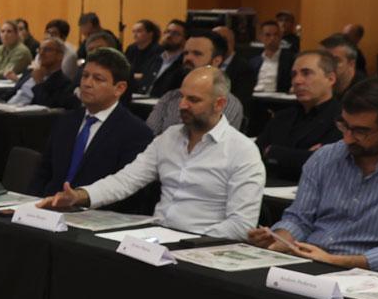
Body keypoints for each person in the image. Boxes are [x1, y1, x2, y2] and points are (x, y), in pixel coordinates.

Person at [39, 68, 265, 239]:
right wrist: (79, 195)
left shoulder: (242, 151)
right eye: (183, 97)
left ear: (219, 104)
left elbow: (241, 224)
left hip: (204, 247)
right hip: (158, 237)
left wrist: (190, 243)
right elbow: (125, 180)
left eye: (193, 100)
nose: (182, 105)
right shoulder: (169, 138)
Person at [249, 78, 378, 273]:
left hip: (365, 277)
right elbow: (299, 218)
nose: (347, 138)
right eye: (344, 125)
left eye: (360, 131)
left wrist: (335, 260)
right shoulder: (325, 157)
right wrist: (280, 239)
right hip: (309, 262)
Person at [33, 48, 153, 196]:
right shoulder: (66, 120)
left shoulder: (136, 132)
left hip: (96, 213)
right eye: (85, 76)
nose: (87, 84)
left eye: (98, 79)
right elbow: (43, 172)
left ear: (119, 88)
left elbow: (128, 191)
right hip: (49, 207)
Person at [256, 50, 344, 181]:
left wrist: (273, 151)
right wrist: (303, 156)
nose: (297, 81)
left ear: (330, 79)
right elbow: (254, 155)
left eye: (306, 73)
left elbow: (325, 166)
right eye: (293, 75)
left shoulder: (342, 118)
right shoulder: (283, 116)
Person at [145, 31, 245, 133]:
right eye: (186, 53)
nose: (188, 58)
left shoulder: (226, 102)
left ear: (216, 61)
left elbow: (207, 141)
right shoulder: (170, 97)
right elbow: (148, 135)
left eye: (197, 54)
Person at [6, 37, 78, 109]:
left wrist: (39, 83)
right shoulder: (29, 72)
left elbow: (47, 106)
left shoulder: (64, 83)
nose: (41, 53)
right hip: (6, 107)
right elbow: (12, 92)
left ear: (60, 55)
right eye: (39, 49)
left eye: (47, 50)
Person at [137, 19, 187, 96]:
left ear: (185, 39)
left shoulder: (184, 62)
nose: (169, 36)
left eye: (175, 33)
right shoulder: (155, 58)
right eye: (167, 32)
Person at [246, 19, 294, 95]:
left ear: (280, 37)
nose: (272, 38)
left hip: (277, 100)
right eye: (268, 35)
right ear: (261, 37)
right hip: (255, 99)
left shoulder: (290, 60)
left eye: (276, 35)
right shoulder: (253, 62)